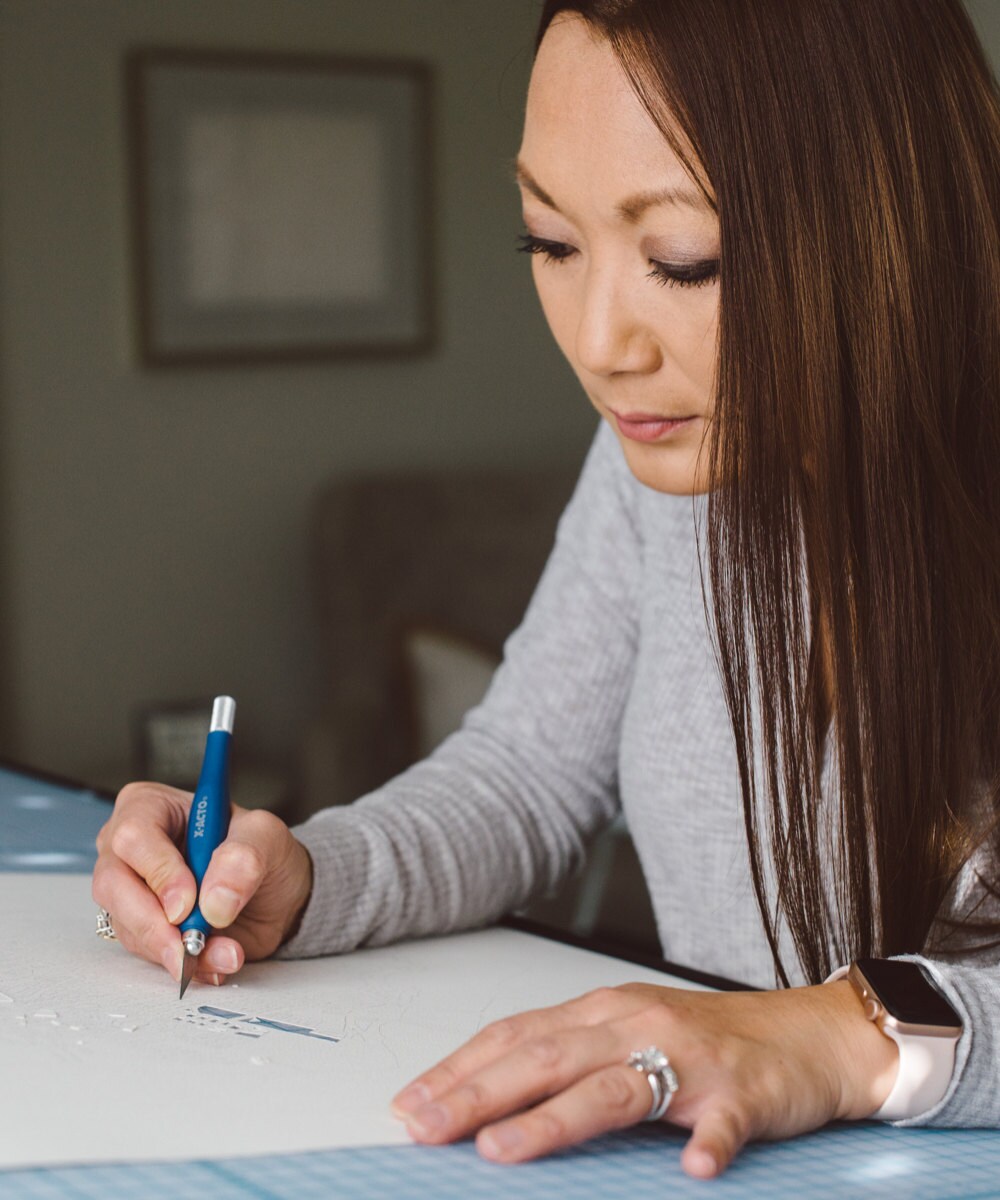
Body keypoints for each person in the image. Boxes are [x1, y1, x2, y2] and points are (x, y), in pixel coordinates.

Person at [92, 0, 1000, 1180]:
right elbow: (525, 774)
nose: (599, 343)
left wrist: (831, 1037)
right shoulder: (662, 454)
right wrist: (300, 879)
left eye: (683, 258)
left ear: (888, 225)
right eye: (551, 243)